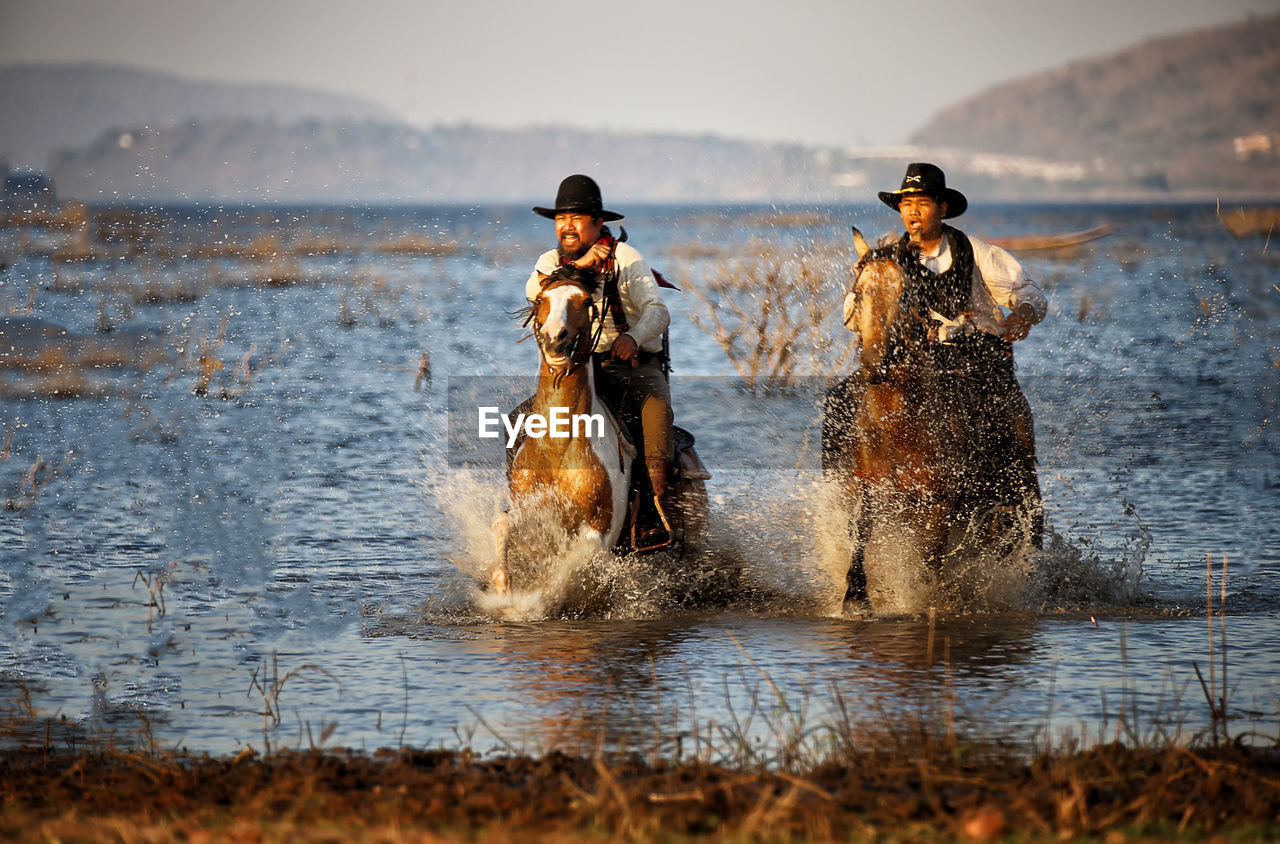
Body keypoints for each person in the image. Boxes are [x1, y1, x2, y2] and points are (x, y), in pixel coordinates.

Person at [824, 162, 1047, 546]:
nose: (912, 211)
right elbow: (850, 318)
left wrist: (1023, 314)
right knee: (839, 401)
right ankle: (841, 489)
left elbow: (1030, 295)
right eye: (906, 203)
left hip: (974, 357)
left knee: (1005, 414)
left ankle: (1014, 496)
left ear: (942, 209)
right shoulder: (884, 262)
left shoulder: (977, 253)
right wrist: (866, 289)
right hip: (909, 362)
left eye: (922, 203)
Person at [526, 174, 675, 498]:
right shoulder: (549, 263)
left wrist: (633, 338)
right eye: (561, 219)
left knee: (656, 421)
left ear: (597, 223)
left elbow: (658, 312)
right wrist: (582, 267)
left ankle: (658, 511)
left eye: (576, 219)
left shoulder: (626, 258)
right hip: (577, 370)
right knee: (517, 423)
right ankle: (519, 498)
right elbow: (533, 291)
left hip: (634, 369)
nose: (567, 226)